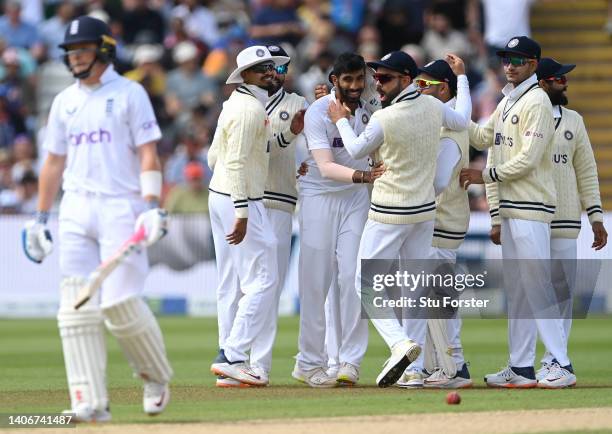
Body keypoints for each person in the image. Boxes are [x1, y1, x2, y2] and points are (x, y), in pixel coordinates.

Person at [21, 16, 173, 422]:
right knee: (75, 308)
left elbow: (147, 153)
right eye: (70, 53)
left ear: (104, 50)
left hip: (121, 206)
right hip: (75, 208)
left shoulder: (129, 93)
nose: (74, 59)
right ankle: (89, 402)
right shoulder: (63, 101)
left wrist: (153, 204)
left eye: (82, 51)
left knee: (120, 304)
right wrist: (40, 217)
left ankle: (156, 377)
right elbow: (53, 161)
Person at [329, 51, 471, 387]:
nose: (378, 84)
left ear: (406, 79)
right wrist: (462, 78)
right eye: (377, 77)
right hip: (423, 212)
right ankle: (414, 369)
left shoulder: (385, 118)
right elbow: (463, 119)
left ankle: (400, 344)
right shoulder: (434, 106)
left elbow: (355, 151)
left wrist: (338, 119)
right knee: (416, 288)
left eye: (386, 78)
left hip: (391, 211)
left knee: (363, 282)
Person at [460, 36, 575, 389]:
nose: (510, 65)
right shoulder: (508, 100)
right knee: (521, 291)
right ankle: (522, 367)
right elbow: (481, 137)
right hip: (511, 208)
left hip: (531, 206)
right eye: (507, 59)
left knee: (538, 286)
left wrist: (487, 175)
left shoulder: (537, 100)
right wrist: (448, 107)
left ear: (534, 64)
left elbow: (528, 158)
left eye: (519, 60)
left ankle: (563, 365)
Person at [487, 58, 606, 381]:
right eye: (558, 79)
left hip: (564, 218)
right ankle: (521, 365)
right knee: (524, 292)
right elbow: (494, 158)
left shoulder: (574, 121)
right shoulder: (518, 113)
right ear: (541, 83)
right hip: (528, 211)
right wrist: (496, 215)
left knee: (560, 293)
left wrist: (595, 214)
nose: (564, 84)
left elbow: (586, 170)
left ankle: (556, 361)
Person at [293, 52, 381, 388]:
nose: (356, 86)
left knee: (354, 276)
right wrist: (365, 176)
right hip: (319, 196)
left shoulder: (371, 106)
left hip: (355, 200)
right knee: (315, 281)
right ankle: (310, 362)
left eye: (360, 79)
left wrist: (364, 179)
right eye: (348, 81)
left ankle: (350, 362)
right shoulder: (318, 112)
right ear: (334, 81)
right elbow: (327, 167)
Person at [208, 45, 289, 387]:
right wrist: (241, 210)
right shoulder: (248, 111)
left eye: (271, 67)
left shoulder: (236, 105)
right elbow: (237, 162)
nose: (269, 73)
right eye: (261, 69)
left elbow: (215, 156)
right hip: (240, 199)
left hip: (222, 194)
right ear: (244, 76)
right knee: (264, 278)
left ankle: (231, 362)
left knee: (233, 281)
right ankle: (233, 356)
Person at [412, 59, 473, 389]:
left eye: (424, 86)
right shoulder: (446, 119)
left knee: (439, 297)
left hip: (441, 219)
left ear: (442, 88)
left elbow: (436, 182)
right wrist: (463, 77)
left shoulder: (449, 132)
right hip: (440, 218)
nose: (417, 91)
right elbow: (463, 109)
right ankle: (436, 365)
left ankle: (455, 367)